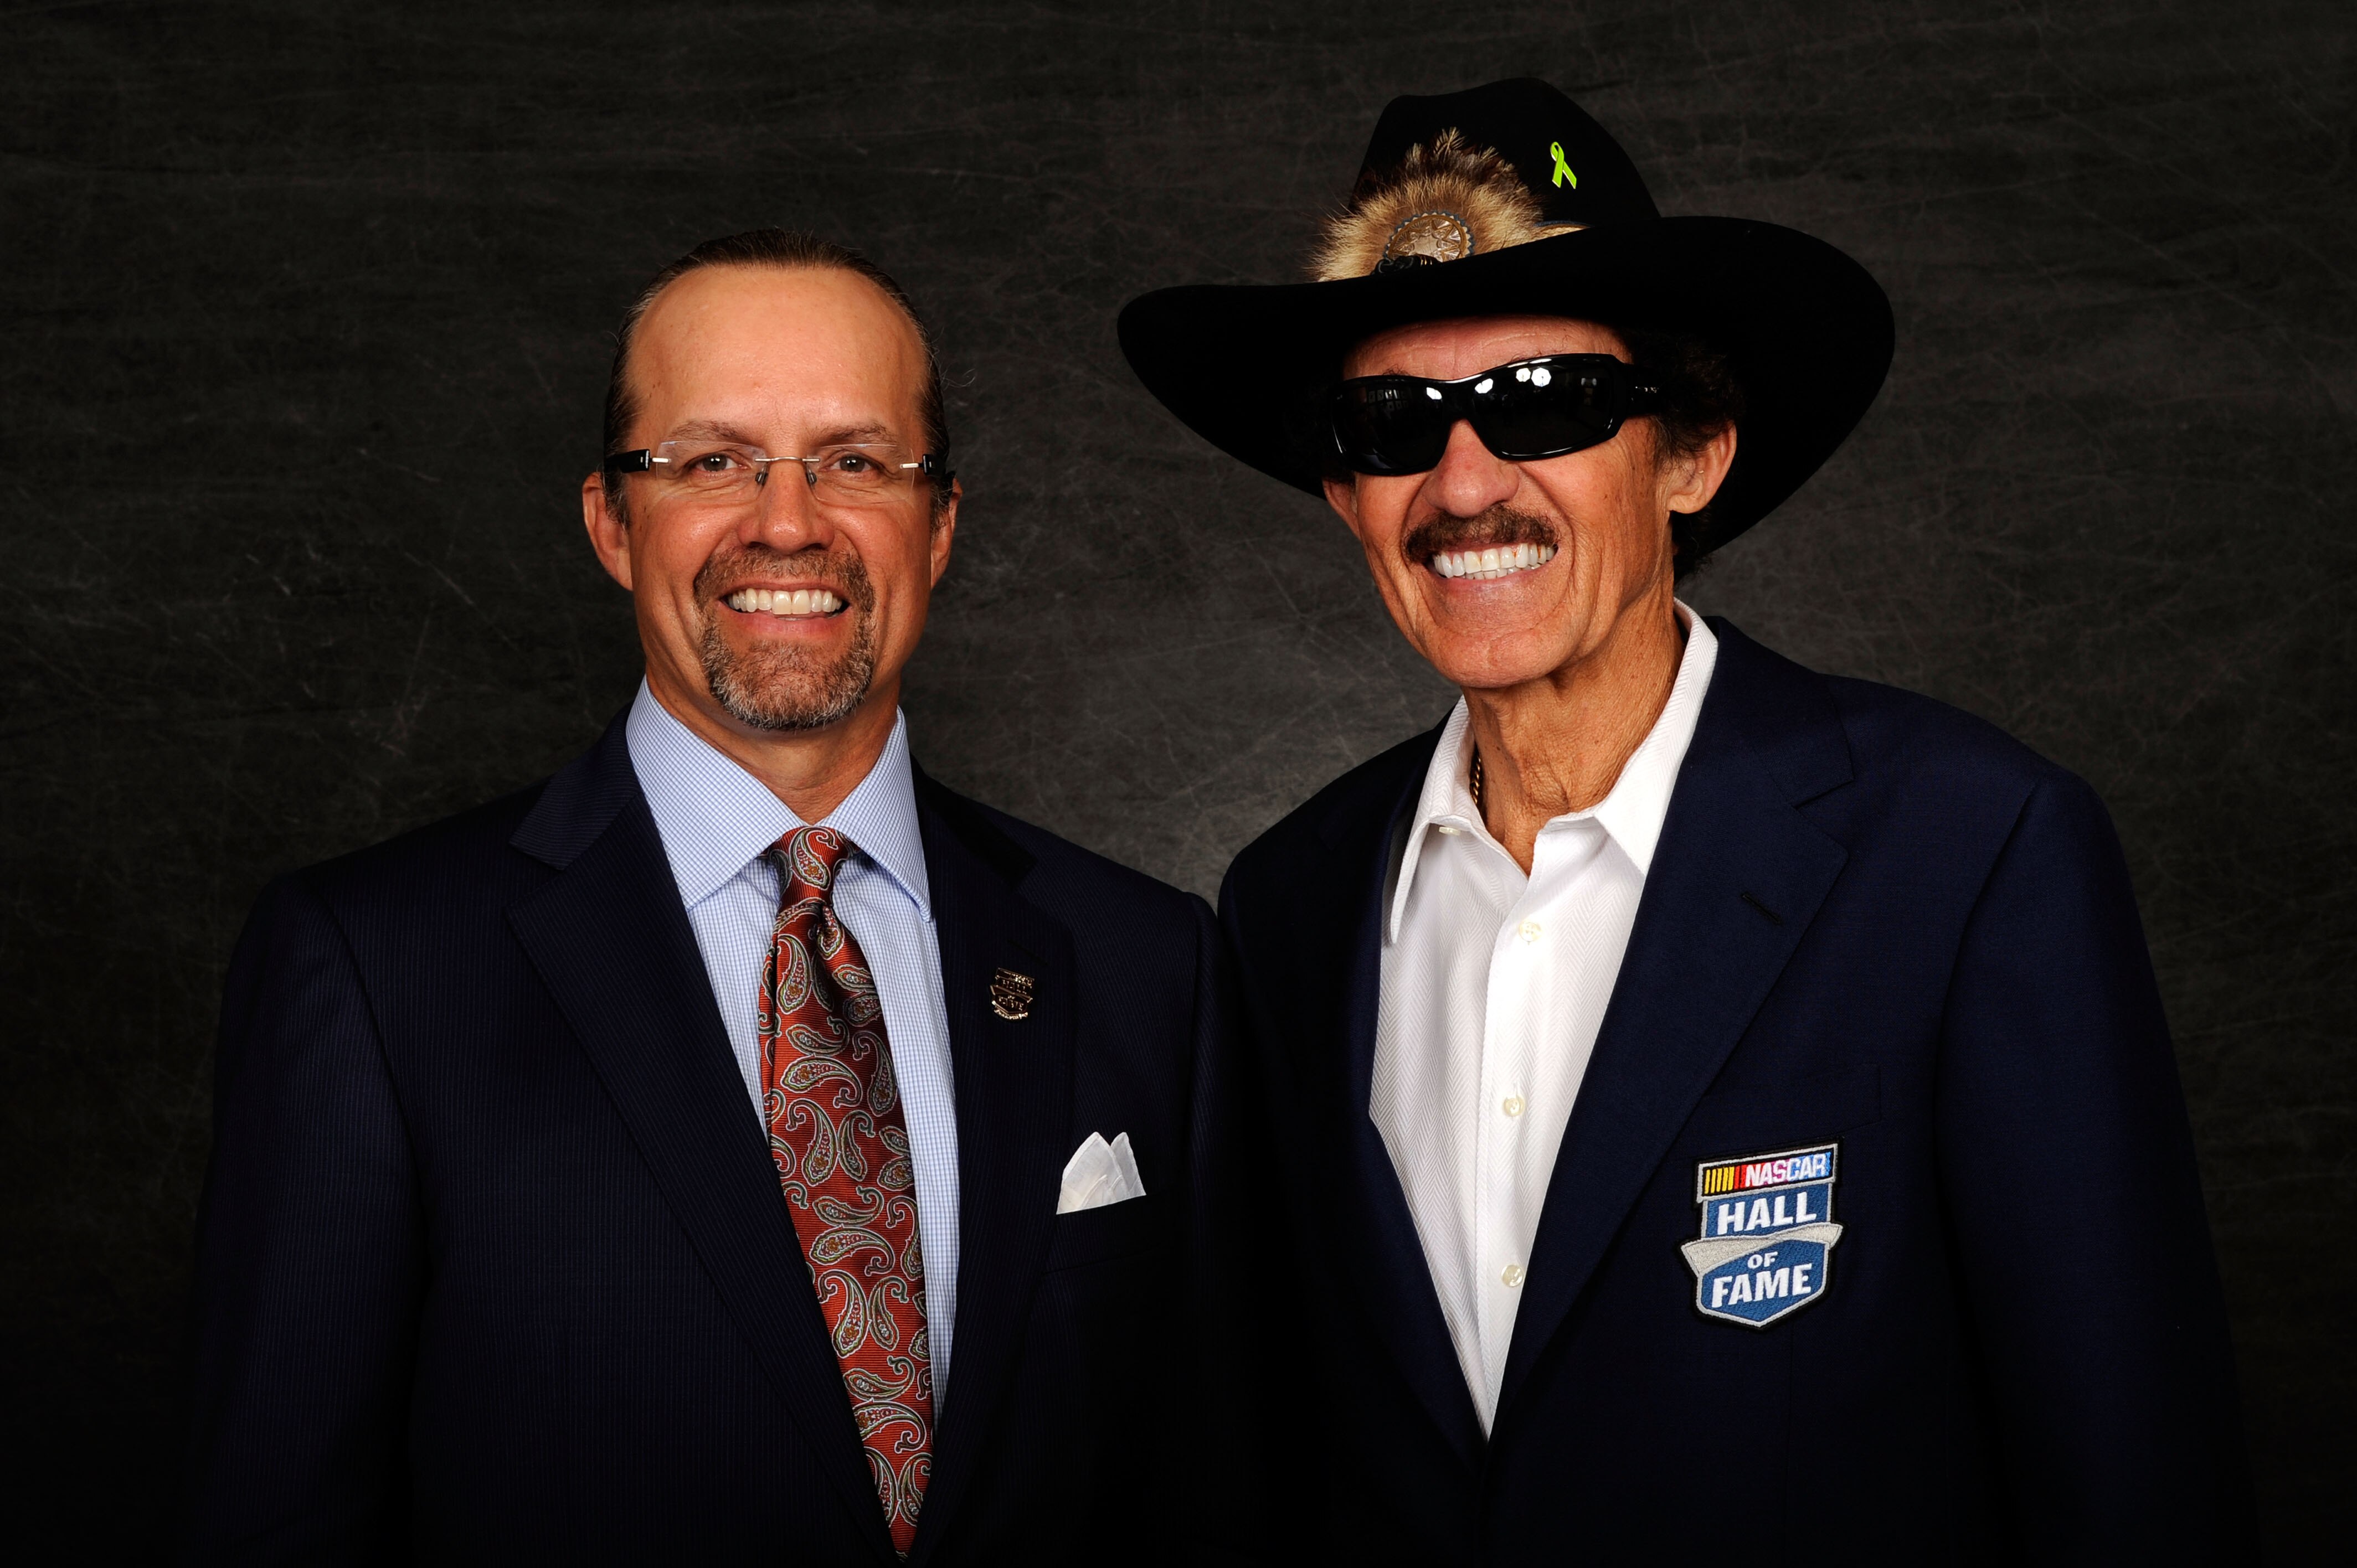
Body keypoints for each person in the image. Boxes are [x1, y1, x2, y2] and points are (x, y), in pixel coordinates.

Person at [1121, 80, 2253, 1561]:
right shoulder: (1290, 905)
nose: (1465, 485)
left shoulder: (1971, 856)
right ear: (1344, 492)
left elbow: (2133, 1485)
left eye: (1547, 404)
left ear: (1694, 454)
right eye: (1395, 424)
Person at [184, 228, 1260, 1564]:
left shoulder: (1146, 960)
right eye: (711, 462)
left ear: (940, 524)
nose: (789, 520)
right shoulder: (371, 967)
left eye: (855, 462)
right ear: (609, 523)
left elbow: (1212, 1501)